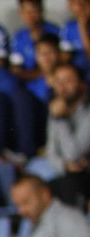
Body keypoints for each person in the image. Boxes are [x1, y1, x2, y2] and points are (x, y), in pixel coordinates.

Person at [45, 62, 90, 207]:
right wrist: (64, 166)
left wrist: (60, 119)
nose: (62, 87)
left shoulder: (62, 113)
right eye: (58, 81)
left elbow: (73, 153)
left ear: (82, 84)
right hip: (67, 175)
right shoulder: (57, 109)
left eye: (68, 81)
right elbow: (51, 152)